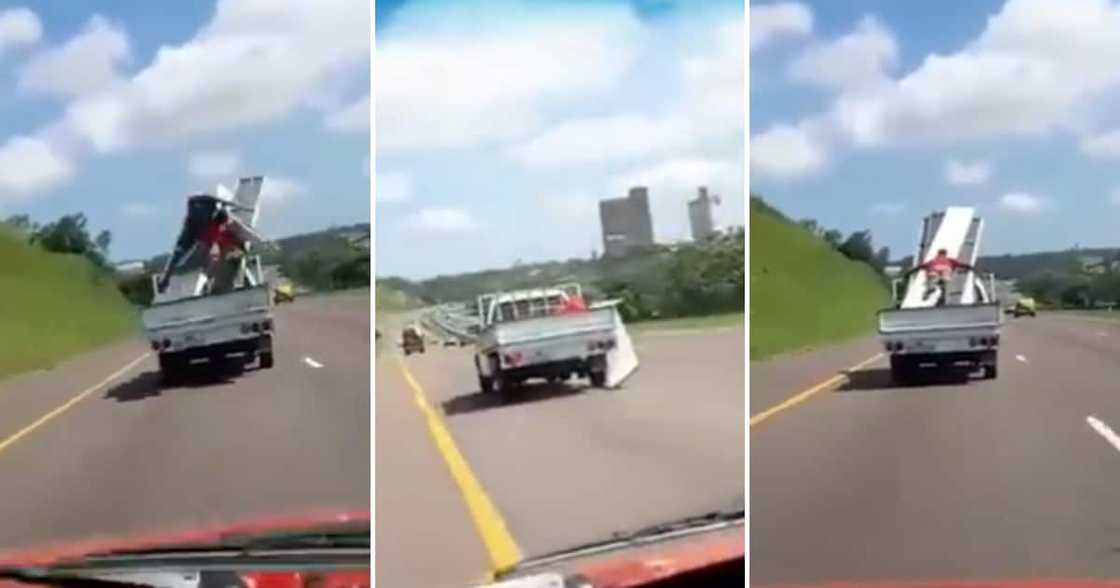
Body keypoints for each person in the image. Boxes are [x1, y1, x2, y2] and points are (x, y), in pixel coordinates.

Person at [905, 248, 975, 305]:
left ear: (938, 254)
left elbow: (919, 267)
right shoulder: (950, 260)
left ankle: (930, 289)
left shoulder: (932, 261)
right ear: (945, 254)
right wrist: (971, 268)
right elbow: (962, 265)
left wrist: (908, 273)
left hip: (933, 271)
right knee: (944, 287)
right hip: (946, 271)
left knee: (932, 282)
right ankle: (942, 298)